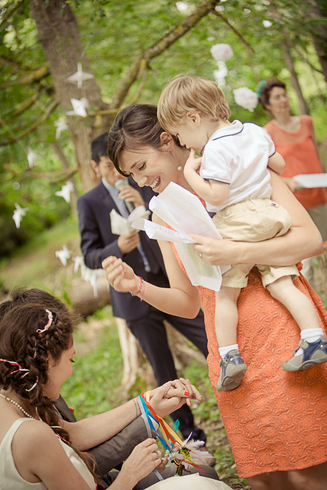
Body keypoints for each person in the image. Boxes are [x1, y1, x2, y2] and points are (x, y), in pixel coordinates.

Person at [104, 103, 327, 490]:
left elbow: (310, 239)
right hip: (229, 350)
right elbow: (187, 301)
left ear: (168, 140)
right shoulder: (162, 215)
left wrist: (239, 254)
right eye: (131, 174)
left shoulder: (243, 170)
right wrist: (135, 286)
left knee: (307, 469)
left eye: (141, 166)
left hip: (283, 328)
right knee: (265, 477)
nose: (139, 181)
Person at [155, 75, 327, 391]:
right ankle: (314, 337)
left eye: (181, 134)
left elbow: (216, 197)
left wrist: (192, 173)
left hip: (236, 221)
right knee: (282, 282)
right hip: (270, 215)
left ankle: (229, 355)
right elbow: (278, 162)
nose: (184, 144)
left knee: (226, 293)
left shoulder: (215, 150)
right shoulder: (253, 131)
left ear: (194, 118)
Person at [0, 289, 224, 490]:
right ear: (47, 360)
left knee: (203, 475)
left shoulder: (17, 395)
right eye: (71, 360)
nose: (71, 370)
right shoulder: (31, 433)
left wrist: (146, 404)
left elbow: (71, 433)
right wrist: (129, 474)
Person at [77, 133, 211, 447]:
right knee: (162, 367)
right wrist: (117, 247)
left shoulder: (144, 182)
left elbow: (167, 223)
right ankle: (189, 433)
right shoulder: (88, 202)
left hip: (169, 285)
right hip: (132, 299)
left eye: (118, 166)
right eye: (108, 166)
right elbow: (89, 254)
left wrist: (143, 205)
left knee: (207, 335)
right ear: (96, 167)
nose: (116, 172)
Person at [259, 78, 327, 286]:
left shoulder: (306, 121)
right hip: (294, 202)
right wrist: (288, 181)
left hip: (319, 195)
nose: (283, 100)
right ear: (268, 105)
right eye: (277, 97)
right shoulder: (266, 132)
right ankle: (313, 298)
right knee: (305, 259)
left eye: (284, 95)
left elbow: (316, 154)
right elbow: (266, 169)